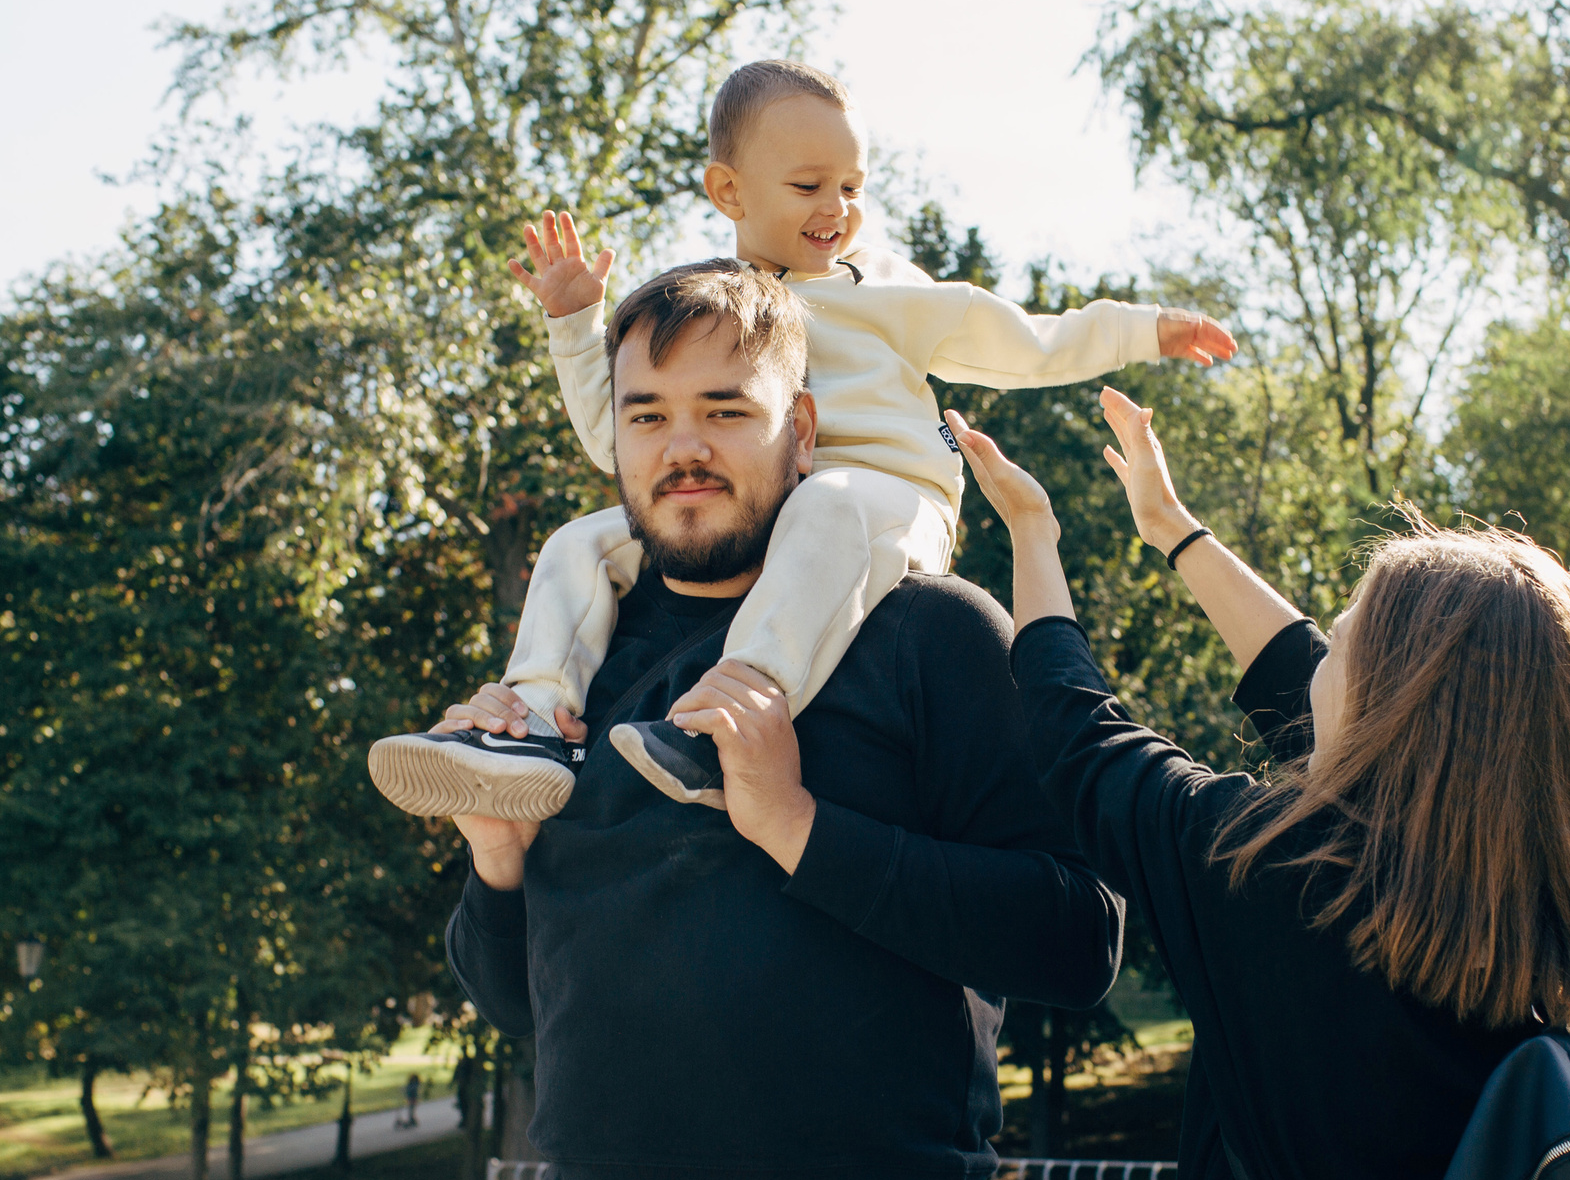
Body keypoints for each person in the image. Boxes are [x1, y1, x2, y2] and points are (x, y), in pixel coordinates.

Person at [432, 260, 1124, 1180]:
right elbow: (521, 1002)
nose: (680, 448)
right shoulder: (578, 669)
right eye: (646, 415)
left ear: (800, 428)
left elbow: (1079, 939)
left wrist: (798, 826)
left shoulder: (932, 634)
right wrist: (496, 855)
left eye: (724, 409)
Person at [945, 388, 1570, 1180]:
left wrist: (1034, 538)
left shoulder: (1275, 878)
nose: (1325, 651)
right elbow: (1329, 692)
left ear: (1390, 699)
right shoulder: (1525, 905)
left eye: (1354, 637)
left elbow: (1077, 734)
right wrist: (1173, 531)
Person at [366, 57, 1236, 820]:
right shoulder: (710, 311)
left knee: (829, 500)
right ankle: (530, 725)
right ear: (728, 192)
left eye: (853, 186)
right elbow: (623, 442)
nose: (838, 208)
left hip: (887, 506)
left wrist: (1145, 329)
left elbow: (1027, 343)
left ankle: (723, 724)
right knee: (581, 540)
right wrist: (573, 322)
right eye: (809, 185)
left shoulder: (892, 296)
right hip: (773, 510)